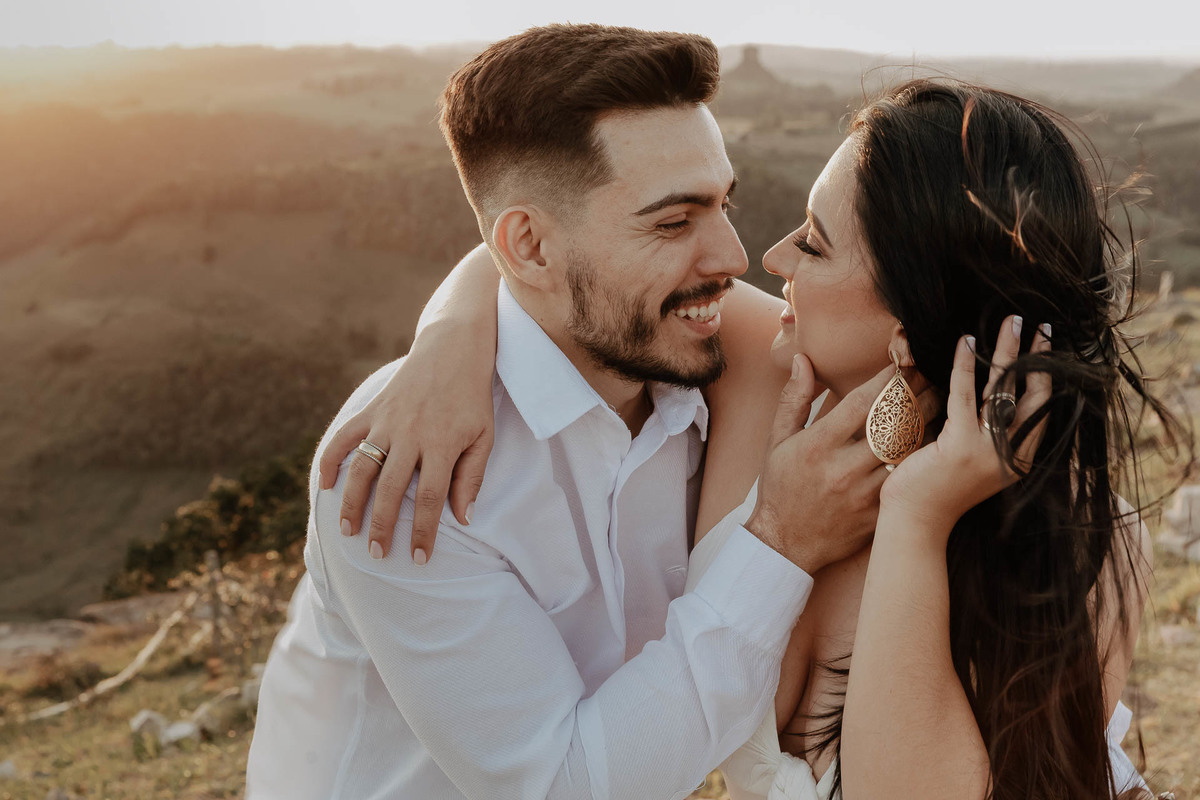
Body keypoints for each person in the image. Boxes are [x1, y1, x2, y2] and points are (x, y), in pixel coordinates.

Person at [323, 78, 1181, 798]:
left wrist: (918, 515)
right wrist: (450, 338)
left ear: (906, 320)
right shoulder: (768, 369)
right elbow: (557, 260)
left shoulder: (1079, 541)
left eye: (812, 241)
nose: (765, 258)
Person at [247, 25, 913, 800]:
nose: (734, 257)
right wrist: (784, 543)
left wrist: (454, 321)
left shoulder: (709, 342)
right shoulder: (404, 467)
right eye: (673, 222)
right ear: (528, 249)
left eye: (721, 204)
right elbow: (561, 787)